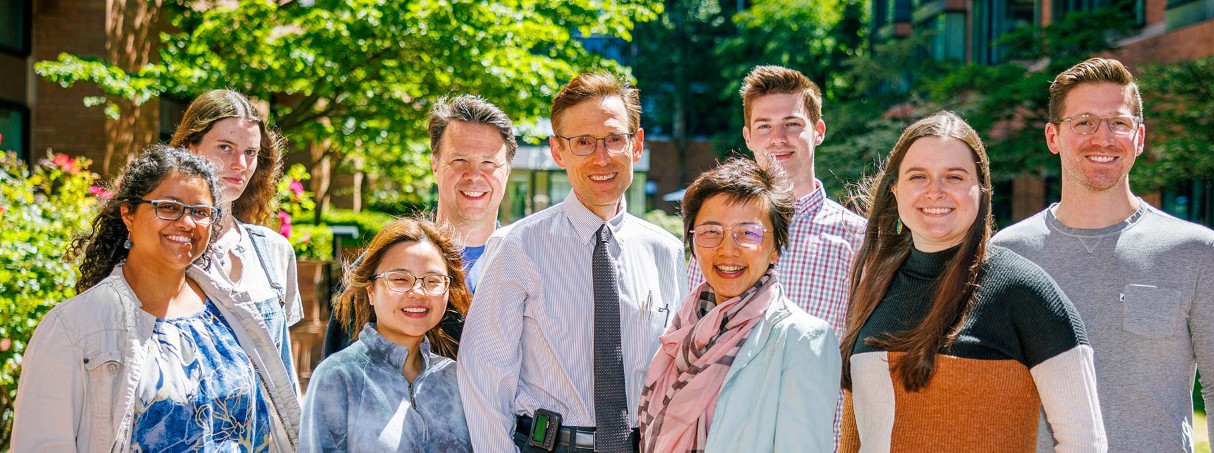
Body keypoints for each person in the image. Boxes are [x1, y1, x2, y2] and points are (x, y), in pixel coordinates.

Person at [991, 57, 1214, 452]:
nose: (1103, 137)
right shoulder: (1005, 256)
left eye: (1119, 123)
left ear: (1139, 137)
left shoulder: (1195, 252)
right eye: (1083, 122)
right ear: (1053, 137)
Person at [838, 111, 1105, 452]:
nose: (935, 191)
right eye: (918, 176)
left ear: (981, 189)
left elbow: (1084, 443)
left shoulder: (1026, 292)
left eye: (954, 176)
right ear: (895, 190)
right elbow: (854, 436)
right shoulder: (874, 285)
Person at [12, 146, 300, 451]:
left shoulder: (232, 311)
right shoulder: (72, 329)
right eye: (169, 207)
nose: (187, 223)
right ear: (129, 214)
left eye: (200, 212)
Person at [458, 72, 686, 453]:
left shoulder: (665, 251)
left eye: (615, 139)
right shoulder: (517, 247)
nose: (602, 157)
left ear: (637, 145)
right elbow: (483, 377)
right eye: (583, 142)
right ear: (558, 151)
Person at [638, 158, 839, 452]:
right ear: (693, 243)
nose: (727, 249)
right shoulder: (680, 331)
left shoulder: (803, 339)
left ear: (775, 248)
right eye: (711, 232)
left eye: (748, 233)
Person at [323, 94, 517, 357]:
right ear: (435, 165)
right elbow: (339, 372)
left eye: (489, 163)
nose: (474, 175)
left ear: (507, 170)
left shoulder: (528, 265)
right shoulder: (382, 269)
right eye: (459, 161)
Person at [299, 218, 472, 452]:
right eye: (400, 279)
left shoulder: (455, 378)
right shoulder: (339, 377)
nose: (417, 292)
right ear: (371, 291)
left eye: (433, 281)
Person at [170, 89, 303, 386]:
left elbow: (285, 374)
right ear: (190, 148)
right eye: (225, 147)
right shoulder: (165, 244)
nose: (240, 164)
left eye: (250, 153)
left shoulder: (274, 251)